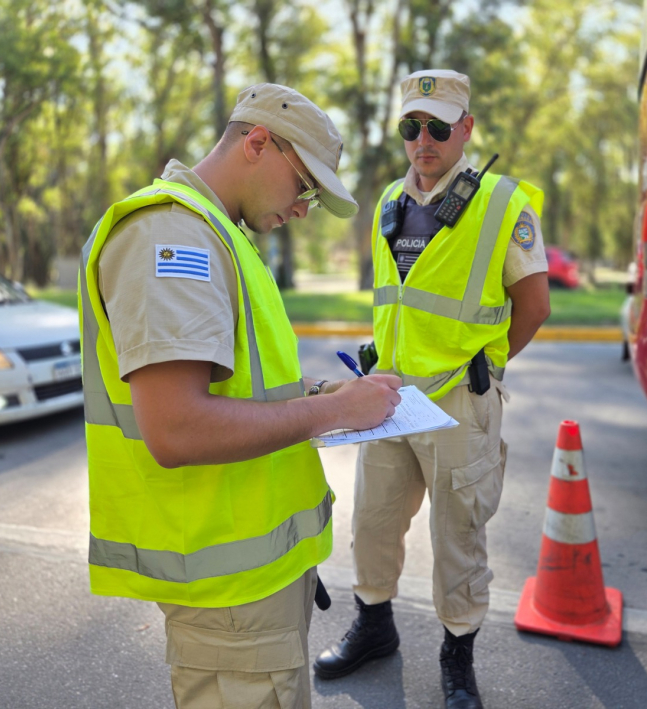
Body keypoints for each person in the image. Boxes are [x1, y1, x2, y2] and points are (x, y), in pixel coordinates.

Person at [79, 83, 403, 709]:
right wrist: (335, 411)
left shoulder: (218, 235)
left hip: (251, 590)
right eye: (304, 185)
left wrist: (323, 389)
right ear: (258, 143)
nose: (304, 208)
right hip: (230, 601)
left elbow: (240, 387)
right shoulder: (170, 237)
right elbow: (176, 428)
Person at [313, 70, 551, 708]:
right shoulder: (391, 199)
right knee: (373, 521)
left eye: (439, 127)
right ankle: (374, 625)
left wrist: (488, 365)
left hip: (456, 403)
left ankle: (457, 655)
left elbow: (534, 304)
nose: (424, 139)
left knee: (458, 536)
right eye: (412, 126)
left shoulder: (503, 204)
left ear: (466, 128)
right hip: (388, 397)